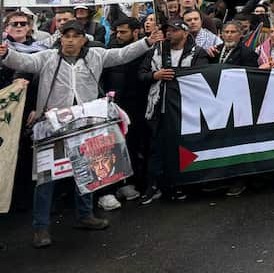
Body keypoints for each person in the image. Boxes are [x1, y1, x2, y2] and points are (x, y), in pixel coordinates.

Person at [0, 19, 160, 246]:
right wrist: (7, 54)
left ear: (84, 39)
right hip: (51, 127)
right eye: (66, 36)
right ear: (60, 38)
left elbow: (123, 54)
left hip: (86, 123)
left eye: (75, 36)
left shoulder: (96, 55)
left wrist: (147, 41)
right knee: (46, 179)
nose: (70, 40)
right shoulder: (47, 58)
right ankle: (40, 228)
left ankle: (85, 215)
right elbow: (24, 61)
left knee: (85, 171)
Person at [140, 18, 208, 204]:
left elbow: (201, 77)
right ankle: (152, 185)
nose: (169, 33)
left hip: (183, 109)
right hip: (158, 107)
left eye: (174, 30)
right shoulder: (157, 50)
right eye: (167, 30)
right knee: (155, 148)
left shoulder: (197, 53)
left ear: (185, 33)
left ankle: (177, 185)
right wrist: (155, 75)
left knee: (180, 147)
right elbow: (141, 73)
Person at [100, 16, 150, 209]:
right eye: (117, 32)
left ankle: (128, 183)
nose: (119, 36)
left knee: (132, 145)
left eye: (124, 32)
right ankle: (109, 189)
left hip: (137, 105)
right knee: (112, 148)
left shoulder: (146, 51)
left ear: (136, 32)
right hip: (114, 105)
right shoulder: (109, 51)